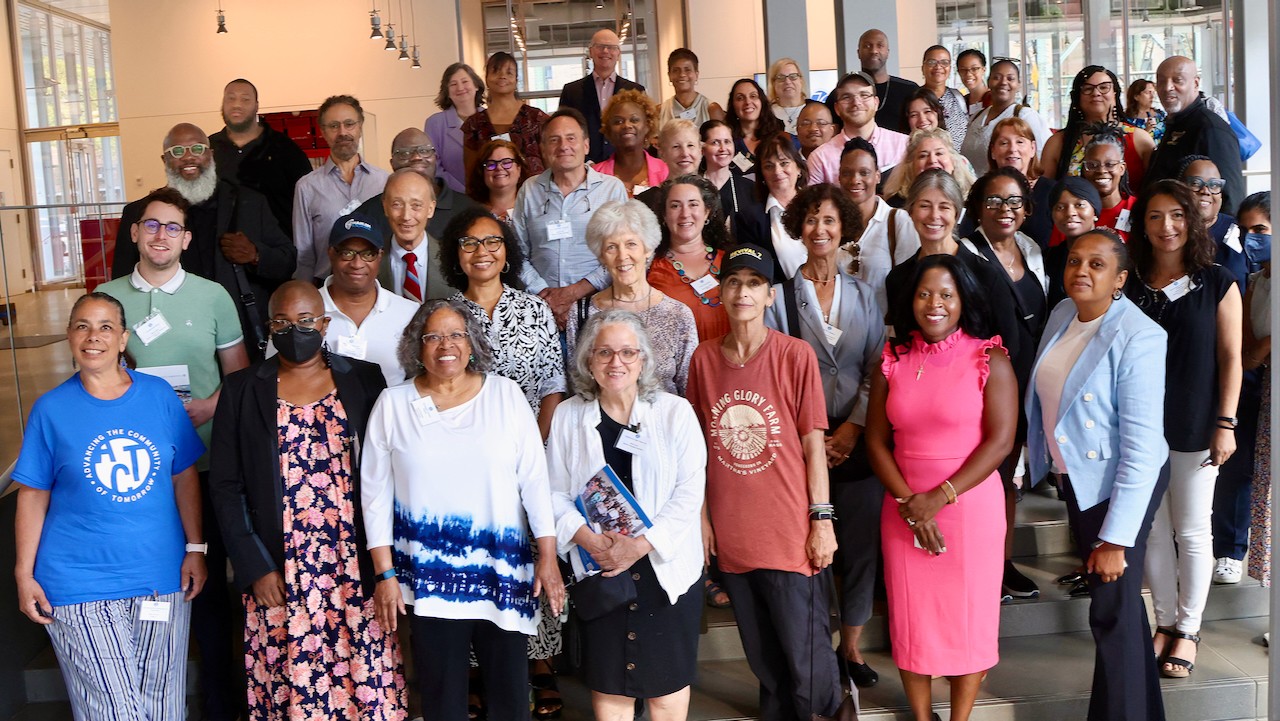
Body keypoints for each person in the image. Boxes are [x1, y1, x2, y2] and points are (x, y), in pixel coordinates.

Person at [361, 299, 565, 720]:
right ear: (416, 348)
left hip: (502, 572)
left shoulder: (505, 396)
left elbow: (535, 482)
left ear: (472, 343)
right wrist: (385, 575)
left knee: (510, 700)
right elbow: (374, 496)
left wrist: (547, 556)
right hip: (428, 579)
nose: (445, 345)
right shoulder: (392, 405)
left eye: (456, 334)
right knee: (443, 702)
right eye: (432, 336)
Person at [209, 281, 403, 720]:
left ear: (324, 323)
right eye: (281, 322)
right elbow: (225, 484)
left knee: (364, 680)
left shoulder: (364, 378)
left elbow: (387, 473)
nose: (293, 330)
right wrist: (254, 566)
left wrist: (385, 560)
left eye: (304, 321)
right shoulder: (242, 389)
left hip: (352, 562)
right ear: (268, 327)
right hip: (280, 566)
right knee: (287, 682)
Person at [14, 292, 206, 721]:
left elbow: (184, 475)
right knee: (114, 712)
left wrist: (197, 548)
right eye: (82, 326)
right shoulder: (51, 409)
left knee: (164, 706)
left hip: (160, 577)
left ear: (123, 339)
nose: (92, 336)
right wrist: (23, 573)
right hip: (78, 584)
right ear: (68, 336)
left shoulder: (159, 396)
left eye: (104, 327)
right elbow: (32, 494)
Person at [98, 187, 250, 721]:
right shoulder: (107, 297)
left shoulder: (213, 296)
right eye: (151, 225)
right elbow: (94, 377)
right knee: (149, 584)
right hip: (132, 475)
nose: (161, 235)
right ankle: (147, 696)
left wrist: (208, 407)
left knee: (207, 590)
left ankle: (218, 702)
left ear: (186, 239)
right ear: (136, 232)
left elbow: (240, 377)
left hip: (204, 466)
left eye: (172, 228)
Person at [685, 244, 847, 720]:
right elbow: (698, 451)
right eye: (733, 281)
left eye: (754, 283)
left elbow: (814, 445)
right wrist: (703, 520)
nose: (742, 292)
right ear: (721, 290)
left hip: (788, 534)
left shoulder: (795, 356)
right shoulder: (703, 361)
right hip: (734, 536)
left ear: (770, 295)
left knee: (807, 659)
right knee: (764, 660)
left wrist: (822, 520)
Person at [1025, 229, 1170, 721]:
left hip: (1118, 484)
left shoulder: (1140, 335)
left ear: (1120, 279)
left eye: (1096, 265)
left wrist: (1115, 539)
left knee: (1111, 609)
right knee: (1120, 609)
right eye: (1074, 261)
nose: (1081, 272)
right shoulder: (1064, 313)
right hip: (1078, 479)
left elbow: (1143, 450)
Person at [865, 254, 1016, 721]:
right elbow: (874, 440)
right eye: (925, 293)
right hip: (904, 505)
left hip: (969, 507)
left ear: (962, 300)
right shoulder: (892, 360)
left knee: (968, 619)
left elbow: (1001, 442)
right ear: (910, 301)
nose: (935, 303)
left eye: (946, 294)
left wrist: (939, 498)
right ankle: (921, 715)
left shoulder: (988, 357)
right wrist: (913, 507)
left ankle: (960, 717)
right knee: (914, 619)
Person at [547, 310, 707, 721]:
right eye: (604, 352)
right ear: (587, 360)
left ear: (643, 360)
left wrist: (637, 546)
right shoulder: (568, 416)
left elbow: (689, 493)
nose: (615, 362)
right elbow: (553, 494)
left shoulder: (675, 412)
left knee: (666, 695)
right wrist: (588, 540)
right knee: (612, 693)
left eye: (626, 352)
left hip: (664, 570)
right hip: (602, 569)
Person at [764, 183, 887, 690]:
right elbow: (771, 372)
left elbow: (879, 364)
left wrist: (855, 427)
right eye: (811, 219)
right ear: (799, 226)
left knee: (859, 551)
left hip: (855, 442)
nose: (820, 230)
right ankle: (812, 646)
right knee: (805, 551)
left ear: (845, 231)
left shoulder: (865, 294)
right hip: (799, 443)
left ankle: (851, 648)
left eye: (831, 221)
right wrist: (813, 434)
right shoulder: (777, 297)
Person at [1126, 179, 1242, 680]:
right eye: (1154, 216)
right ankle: (1165, 621)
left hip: (1198, 424)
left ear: (1191, 220)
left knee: (1191, 530)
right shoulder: (1129, 282)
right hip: (1139, 427)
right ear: (1142, 224)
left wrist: (1226, 423)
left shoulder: (1218, 280)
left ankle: (1189, 630)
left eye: (1176, 215)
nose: (1166, 226)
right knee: (1151, 530)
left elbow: (1232, 358)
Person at [112, 123, 295, 361]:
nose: (188, 157)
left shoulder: (250, 203)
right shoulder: (138, 213)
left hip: (239, 337)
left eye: (197, 148)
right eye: (177, 151)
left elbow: (288, 261)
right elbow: (122, 281)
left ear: (211, 154)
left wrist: (255, 255)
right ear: (164, 159)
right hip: (165, 342)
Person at [961, 167, 1049, 599]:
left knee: (1007, 476)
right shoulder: (964, 254)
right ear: (977, 207)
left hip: (1028, 384)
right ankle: (978, 563)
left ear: (1027, 209)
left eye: (1013, 201)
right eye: (993, 201)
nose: (1004, 209)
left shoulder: (1032, 251)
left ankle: (1002, 562)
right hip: (980, 388)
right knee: (983, 475)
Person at [442, 206, 564, 437]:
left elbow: (553, 383)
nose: (482, 251)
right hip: (467, 443)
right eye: (470, 243)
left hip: (534, 441)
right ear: (456, 254)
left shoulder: (535, 309)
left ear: (507, 250)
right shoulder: (446, 316)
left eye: (492, 241)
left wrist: (536, 444)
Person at [565, 200, 697, 397]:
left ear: (648, 250)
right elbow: (578, 384)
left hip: (663, 424)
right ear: (601, 256)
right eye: (611, 247)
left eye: (631, 244)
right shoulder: (583, 312)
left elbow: (690, 389)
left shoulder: (678, 314)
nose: (622, 256)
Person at [513, 108, 629, 326]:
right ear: (543, 149)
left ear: (586, 145)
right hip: (540, 312)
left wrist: (574, 293)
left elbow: (622, 254)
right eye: (554, 140)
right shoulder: (529, 190)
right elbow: (517, 253)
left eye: (571, 138)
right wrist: (546, 296)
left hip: (598, 309)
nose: (563, 146)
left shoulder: (611, 189)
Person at [305, 213, 419, 386]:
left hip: (389, 412)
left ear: (380, 256)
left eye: (368, 254)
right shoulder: (303, 312)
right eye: (347, 253)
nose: (357, 264)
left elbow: (423, 381)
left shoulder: (409, 313)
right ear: (331, 253)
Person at [293, 95, 389, 284]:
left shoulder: (385, 182)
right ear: (323, 131)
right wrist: (305, 294)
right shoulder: (307, 187)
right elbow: (303, 255)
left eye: (349, 124)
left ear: (360, 127)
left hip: (378, 285)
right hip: (325, 285)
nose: (342, 132)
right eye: (334, 126)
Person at [210, 78, 313, 239]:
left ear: (257, 106)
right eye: (230, 98)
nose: (237, 104)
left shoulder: (286, 149)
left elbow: (308, 201)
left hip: (275, 253)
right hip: (218, 251)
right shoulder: (207, 149)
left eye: (245, 99)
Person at [354, 127, 482, 252]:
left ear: (435, 158)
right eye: (404, 153)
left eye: (425, 150)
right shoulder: (368, 214)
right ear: (392, 163)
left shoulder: (468, 210)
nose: (416, 157)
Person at [1143, 56, 1244, 214]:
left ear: (1195, 83)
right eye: (1162, 81)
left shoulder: (1211, 129)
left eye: (1178, 80)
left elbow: (1230, 196)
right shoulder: (1175, 123)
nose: (1168, 87)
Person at [835, 137, 919, 312]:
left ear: (877, 176)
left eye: (864, 172)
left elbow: (911, 283)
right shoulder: (832, 224)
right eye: (847, 173)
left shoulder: (897, 221)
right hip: (841, 332)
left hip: (887, 332)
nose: (855, 180)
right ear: (839, 177)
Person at [1040, 66, 1155, 189]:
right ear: (1078, 97)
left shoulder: (1140, 139)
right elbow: (1045, 195)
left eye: (1104, 87)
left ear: (1115, 94)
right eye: (1088, 89)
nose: (1096, 93)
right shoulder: (1058, 143)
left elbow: (1155, 190)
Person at [649, 175, 732, 341]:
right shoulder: (649, 268)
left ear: (706, 212)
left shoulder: (730, 262)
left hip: (727, 362)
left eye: (693, 204)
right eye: (675, 206)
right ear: (664, 216)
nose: (685, 214)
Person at [1241, 192, 1273, 588]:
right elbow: (1250, 355)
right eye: (1246, 231)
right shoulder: (1255, 281)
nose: (1252, 238)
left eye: (1261, 230)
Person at [557, 27, 646, 163]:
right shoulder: (572, 91)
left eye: (611, 47)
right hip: (585, 165)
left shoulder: (635, 90)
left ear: (618, 53)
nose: (605, 51)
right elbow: (564, 129)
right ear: (591, 52)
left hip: (625, 163)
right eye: (600, 46)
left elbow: (643, 130)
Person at [808, 71, 909, 184]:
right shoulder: (820, 159)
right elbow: (813, 201)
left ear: (876, 103)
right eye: (846, 97)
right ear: (837, 108)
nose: (856, 102)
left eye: (864, 95)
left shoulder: (905, 145)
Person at [462, 52, 549, 181]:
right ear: (486, 78)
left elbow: (550, 161)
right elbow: (471, 172)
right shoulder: (474, 124)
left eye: (509, 73)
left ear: (516, 80)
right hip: (489, 197)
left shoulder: (536, 118)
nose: (502, 76)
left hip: (535, 196)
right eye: (496, 71)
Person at [735, 133, 810, 279]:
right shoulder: (749, 218)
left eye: (784, 163)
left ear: (799, 168)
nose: (777, 171)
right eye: (769, 166)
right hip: (781, 298)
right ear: (762, 175)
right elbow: (754, 271)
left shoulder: (818, 205)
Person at [959, 59, 1051, 176]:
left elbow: (1044, 155)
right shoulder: (976, 117)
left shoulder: (1025, 116)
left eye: (1010, 78)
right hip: (976, 191)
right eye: (997, 77)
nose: (1003, 82)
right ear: (988, 82)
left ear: (1018, 84)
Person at [378, 169, 456, 302]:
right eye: (397, 204)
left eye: (416, 206)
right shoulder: (370, 262)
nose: (406, 216)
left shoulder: (453, 261)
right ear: (385, 207)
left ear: (430, 209)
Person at [1178, 155, 1249, 291]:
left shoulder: (1241, 230)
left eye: (1214, 185)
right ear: (1180, 188)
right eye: (1195, 183)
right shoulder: (1169, 233)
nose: (1205, 191)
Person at [988, 117, 1055, 248]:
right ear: (993, 151)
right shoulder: (982, 192)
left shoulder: (1053, 192)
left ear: (1032, 148)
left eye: (1020, 142)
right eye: (1003, 143)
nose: (1012, 149)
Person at [594, 89, 669, 196]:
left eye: (634, 120)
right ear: (608, 129)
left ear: (648, 125)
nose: (626, 125)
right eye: (618, 121)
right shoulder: (595, 174)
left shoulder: (664, 170)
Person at [1043, 177, 1102, 309]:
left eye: (1079, 205)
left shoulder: (1112, 255)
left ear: (1095, 212)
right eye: (1060, 207)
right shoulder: (1049, 258)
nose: (1070, 213)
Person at [426, 62, 485, 194]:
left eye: (465, 81)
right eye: (453, 84)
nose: (460, 87)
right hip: (452, 198)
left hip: (491, 198)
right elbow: (434, 167)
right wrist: (464, 194)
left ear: (476, 86)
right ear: (447, 92)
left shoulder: (492, 119)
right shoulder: (435, 123)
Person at [882, 127, 976, 208]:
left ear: (953, 161)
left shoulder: (973, 202)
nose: (932, 160)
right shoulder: (896, 206)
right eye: (923, 155)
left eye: (939, 153)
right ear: (911, 165)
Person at [700, 119, 761, 233]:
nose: (723, 148)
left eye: (727, 141)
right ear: (703, 149)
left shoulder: (750, 189)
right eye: (715, 142)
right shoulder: (694, 188)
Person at [1079, 126, 1138, 242]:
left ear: (1122, 168)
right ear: (1084, 169)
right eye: (1093, 165)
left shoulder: (1138, 209)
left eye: (1110, 164)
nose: (1101, 171)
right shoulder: (1075, 212)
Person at [858, 28, 919, 134]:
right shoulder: (845, 94)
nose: (874, 51)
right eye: (867, 46)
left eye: (880, 46)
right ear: (858, 53)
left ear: (888, 52)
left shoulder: (910, 90)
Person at [725, 78, 786, 178]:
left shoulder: (780, 138)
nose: (748, 102)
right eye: (740, 98)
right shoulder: (726, 143)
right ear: (732, 105)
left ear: (761, 101)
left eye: (753, 96)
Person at [657, 48, 724, 130]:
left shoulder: (712, 109)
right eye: (676, 70)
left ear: (696, 74)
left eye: (687, 70)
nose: (682, 74)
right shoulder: (660, 111)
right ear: (669, 76)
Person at [467, 138, 530, 223]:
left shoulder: (533, 209)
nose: (499, 168)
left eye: (507, 162)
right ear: (482, 172)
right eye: (491, 164)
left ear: (519, 169)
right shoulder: (470, 213)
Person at [919, 46, 968, 150]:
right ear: (923, 68)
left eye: (944, 62)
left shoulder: (958, 97)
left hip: (958, 163)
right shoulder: (916, 99)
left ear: (950, 68)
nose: (938, 66)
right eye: (932, 62)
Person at [768, 57, 809, 135]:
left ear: (801, 80)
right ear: (773, 84)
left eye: (793, 76)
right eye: (781, 78)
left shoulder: (814, 109)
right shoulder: (766, 113)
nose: (787, 82)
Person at [1125, 78, 1166, 143]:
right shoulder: (1127, 120)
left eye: (1153, 92)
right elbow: (1129, 144)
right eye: (1148, 93)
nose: (1152, 96)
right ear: (1136, 96)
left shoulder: (1161, 115)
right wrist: (1146, 132)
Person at [956, 49, 989, 116]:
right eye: (963, 70)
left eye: (974, 69)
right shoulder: (961, 102)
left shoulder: (994, 99)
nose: (968, 74)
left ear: (983, 70)